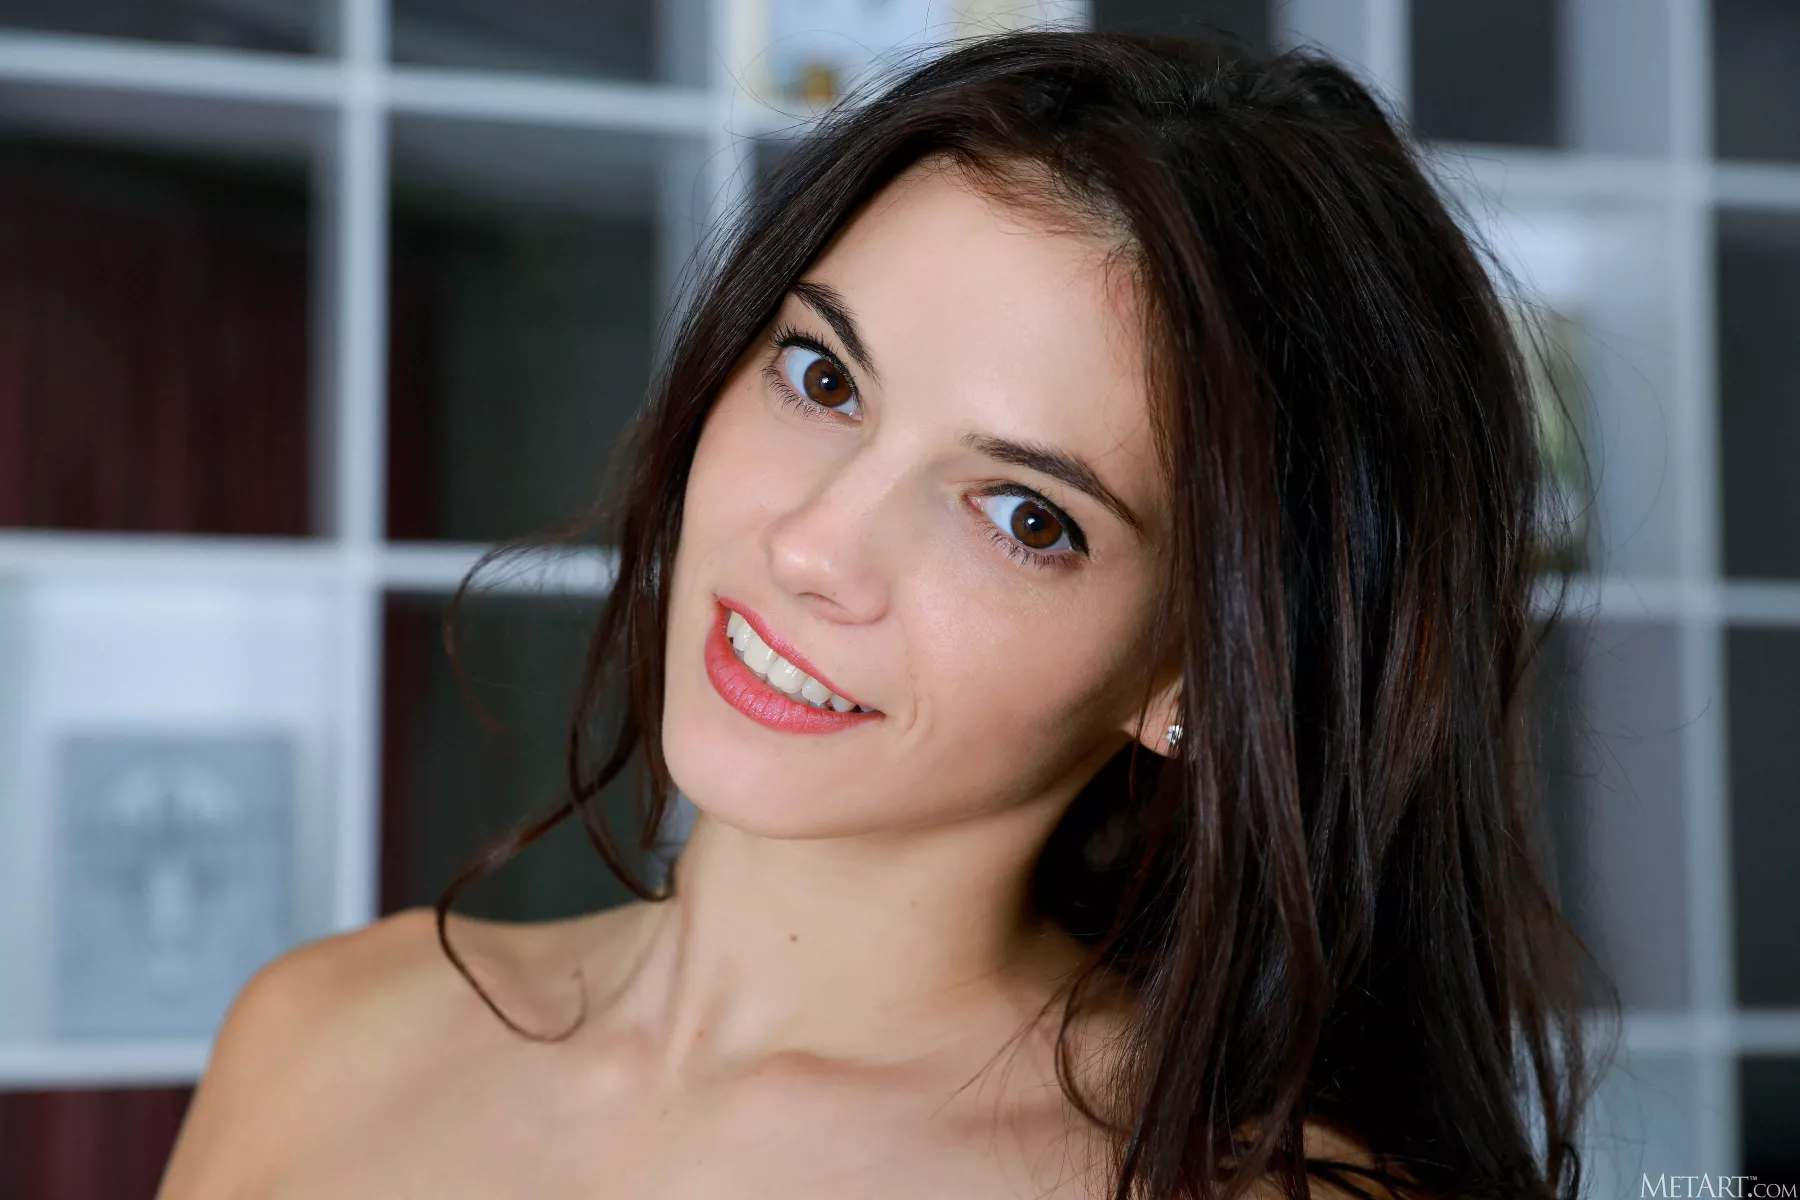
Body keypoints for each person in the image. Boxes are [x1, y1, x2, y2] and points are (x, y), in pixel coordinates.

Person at [159, 28, 1599, 1200]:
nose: (810, 544)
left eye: (1024, 515)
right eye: (823, 379)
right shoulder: (320, 1031)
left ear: (1199, 677)